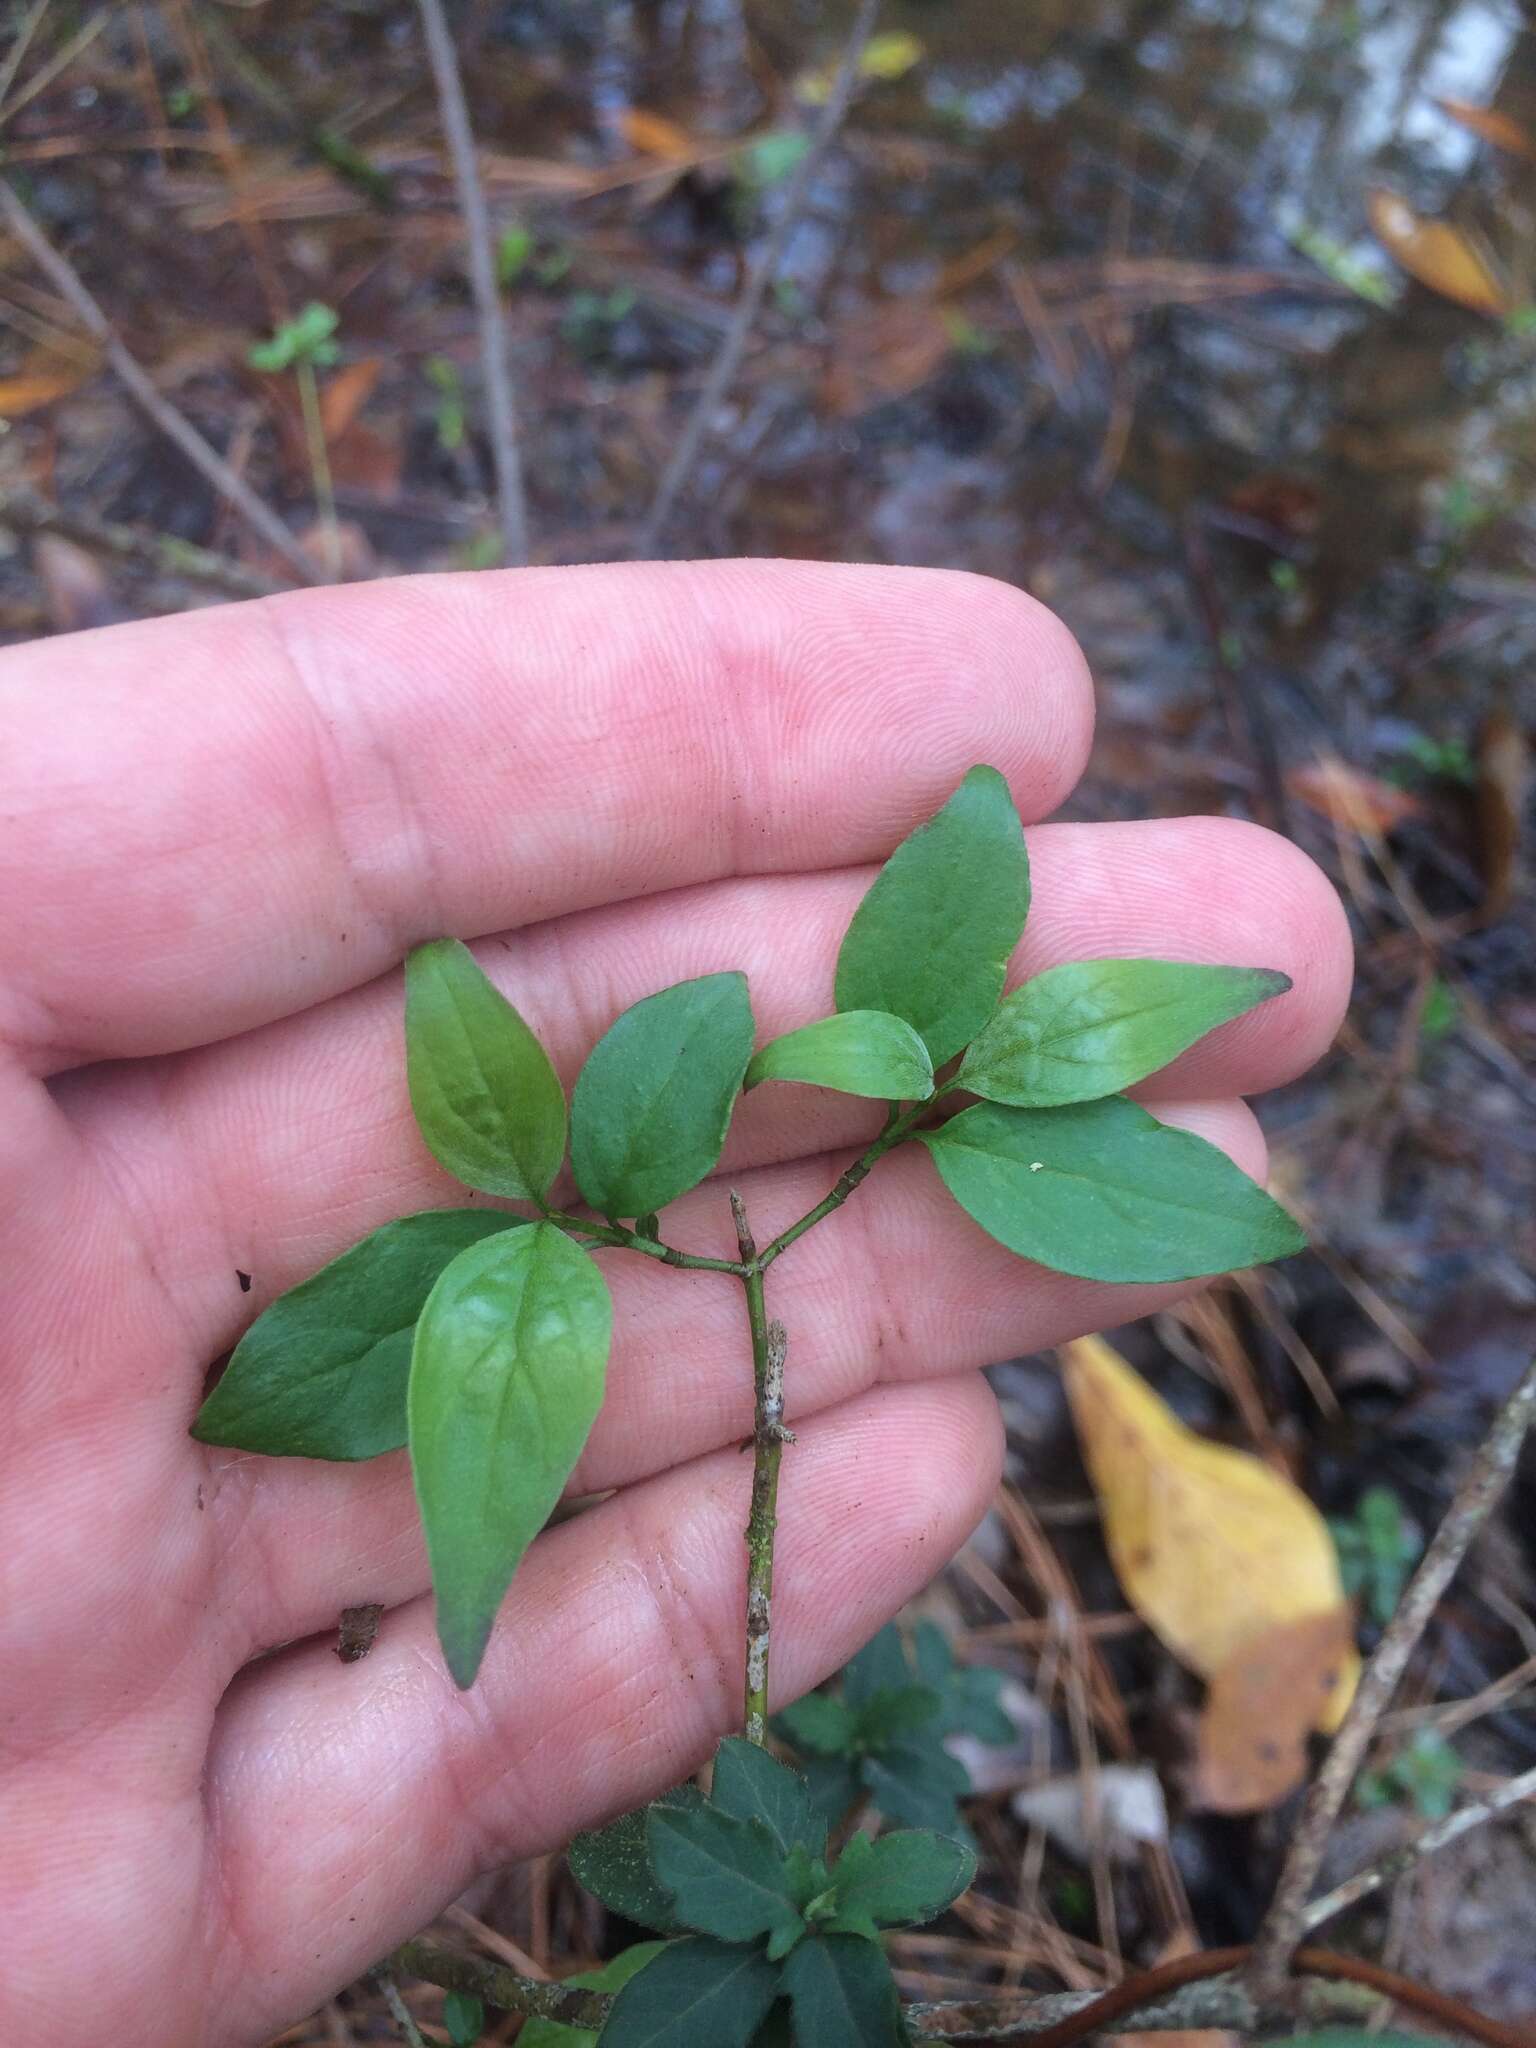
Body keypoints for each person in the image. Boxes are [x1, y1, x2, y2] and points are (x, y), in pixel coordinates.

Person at [0, 560, 1351, 2047]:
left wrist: (816, 1086)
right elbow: (649, 1035)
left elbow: (780, 997)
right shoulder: (587, 1211)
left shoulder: (851, 1116)